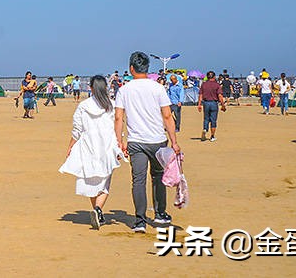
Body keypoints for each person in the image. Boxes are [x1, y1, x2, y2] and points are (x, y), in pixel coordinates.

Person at [113, 52, 180, 233]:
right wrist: (174, 141)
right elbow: (167, 115)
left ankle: (140, 220)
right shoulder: (157, 88)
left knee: (138, 180)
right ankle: (160, 214)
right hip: (157, 140)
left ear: (131, 68)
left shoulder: (124, 89)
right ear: (147, 68)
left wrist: (119, 141)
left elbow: (119, 117)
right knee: (158, 177)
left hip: (136, 142)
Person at [59, 75, 124, 230]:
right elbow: (118, 126)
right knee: (104, 182)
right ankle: (98, 210)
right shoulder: (112, 106)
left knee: (91, 180)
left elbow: (77, 130)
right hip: (107, 146)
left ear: (91, 88)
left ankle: (97, 210)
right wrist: (120, 144)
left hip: (88, 146)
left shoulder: (83, 106)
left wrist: (70, 146)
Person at [196, 71, 226, 141]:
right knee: (213, 120)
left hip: (206, 103)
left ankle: (205, 129)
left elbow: (200, 95)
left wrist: (199, 104)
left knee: (206, 118)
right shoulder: (217, 85)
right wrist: (223, 105)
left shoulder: (204, 84)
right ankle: (212, 136)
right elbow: (220, 95)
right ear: (214, 77)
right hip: (214, 103)